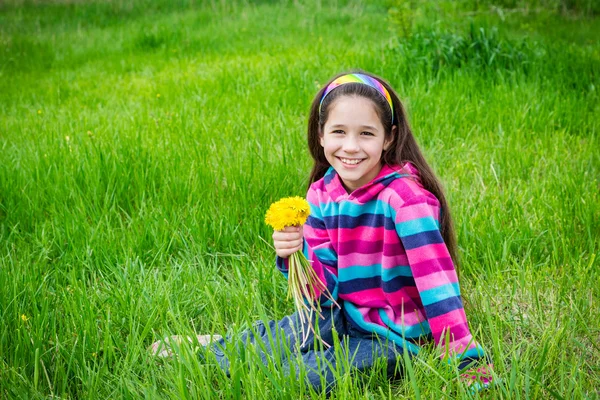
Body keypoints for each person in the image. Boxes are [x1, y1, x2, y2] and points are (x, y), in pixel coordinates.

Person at [150, 71, 493, 393]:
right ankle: (220, 345)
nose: (351, 147)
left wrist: (464, 354)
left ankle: (239, 349)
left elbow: (437, 281)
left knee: (297, 375)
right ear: (321, 135)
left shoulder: (404, 200)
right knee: (290, 332)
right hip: (341, 313)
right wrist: (294, 255)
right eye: (339, 132)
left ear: (389, 137)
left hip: (395, 336)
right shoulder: (320, 195)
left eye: (367, 133)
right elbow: (323, 292)